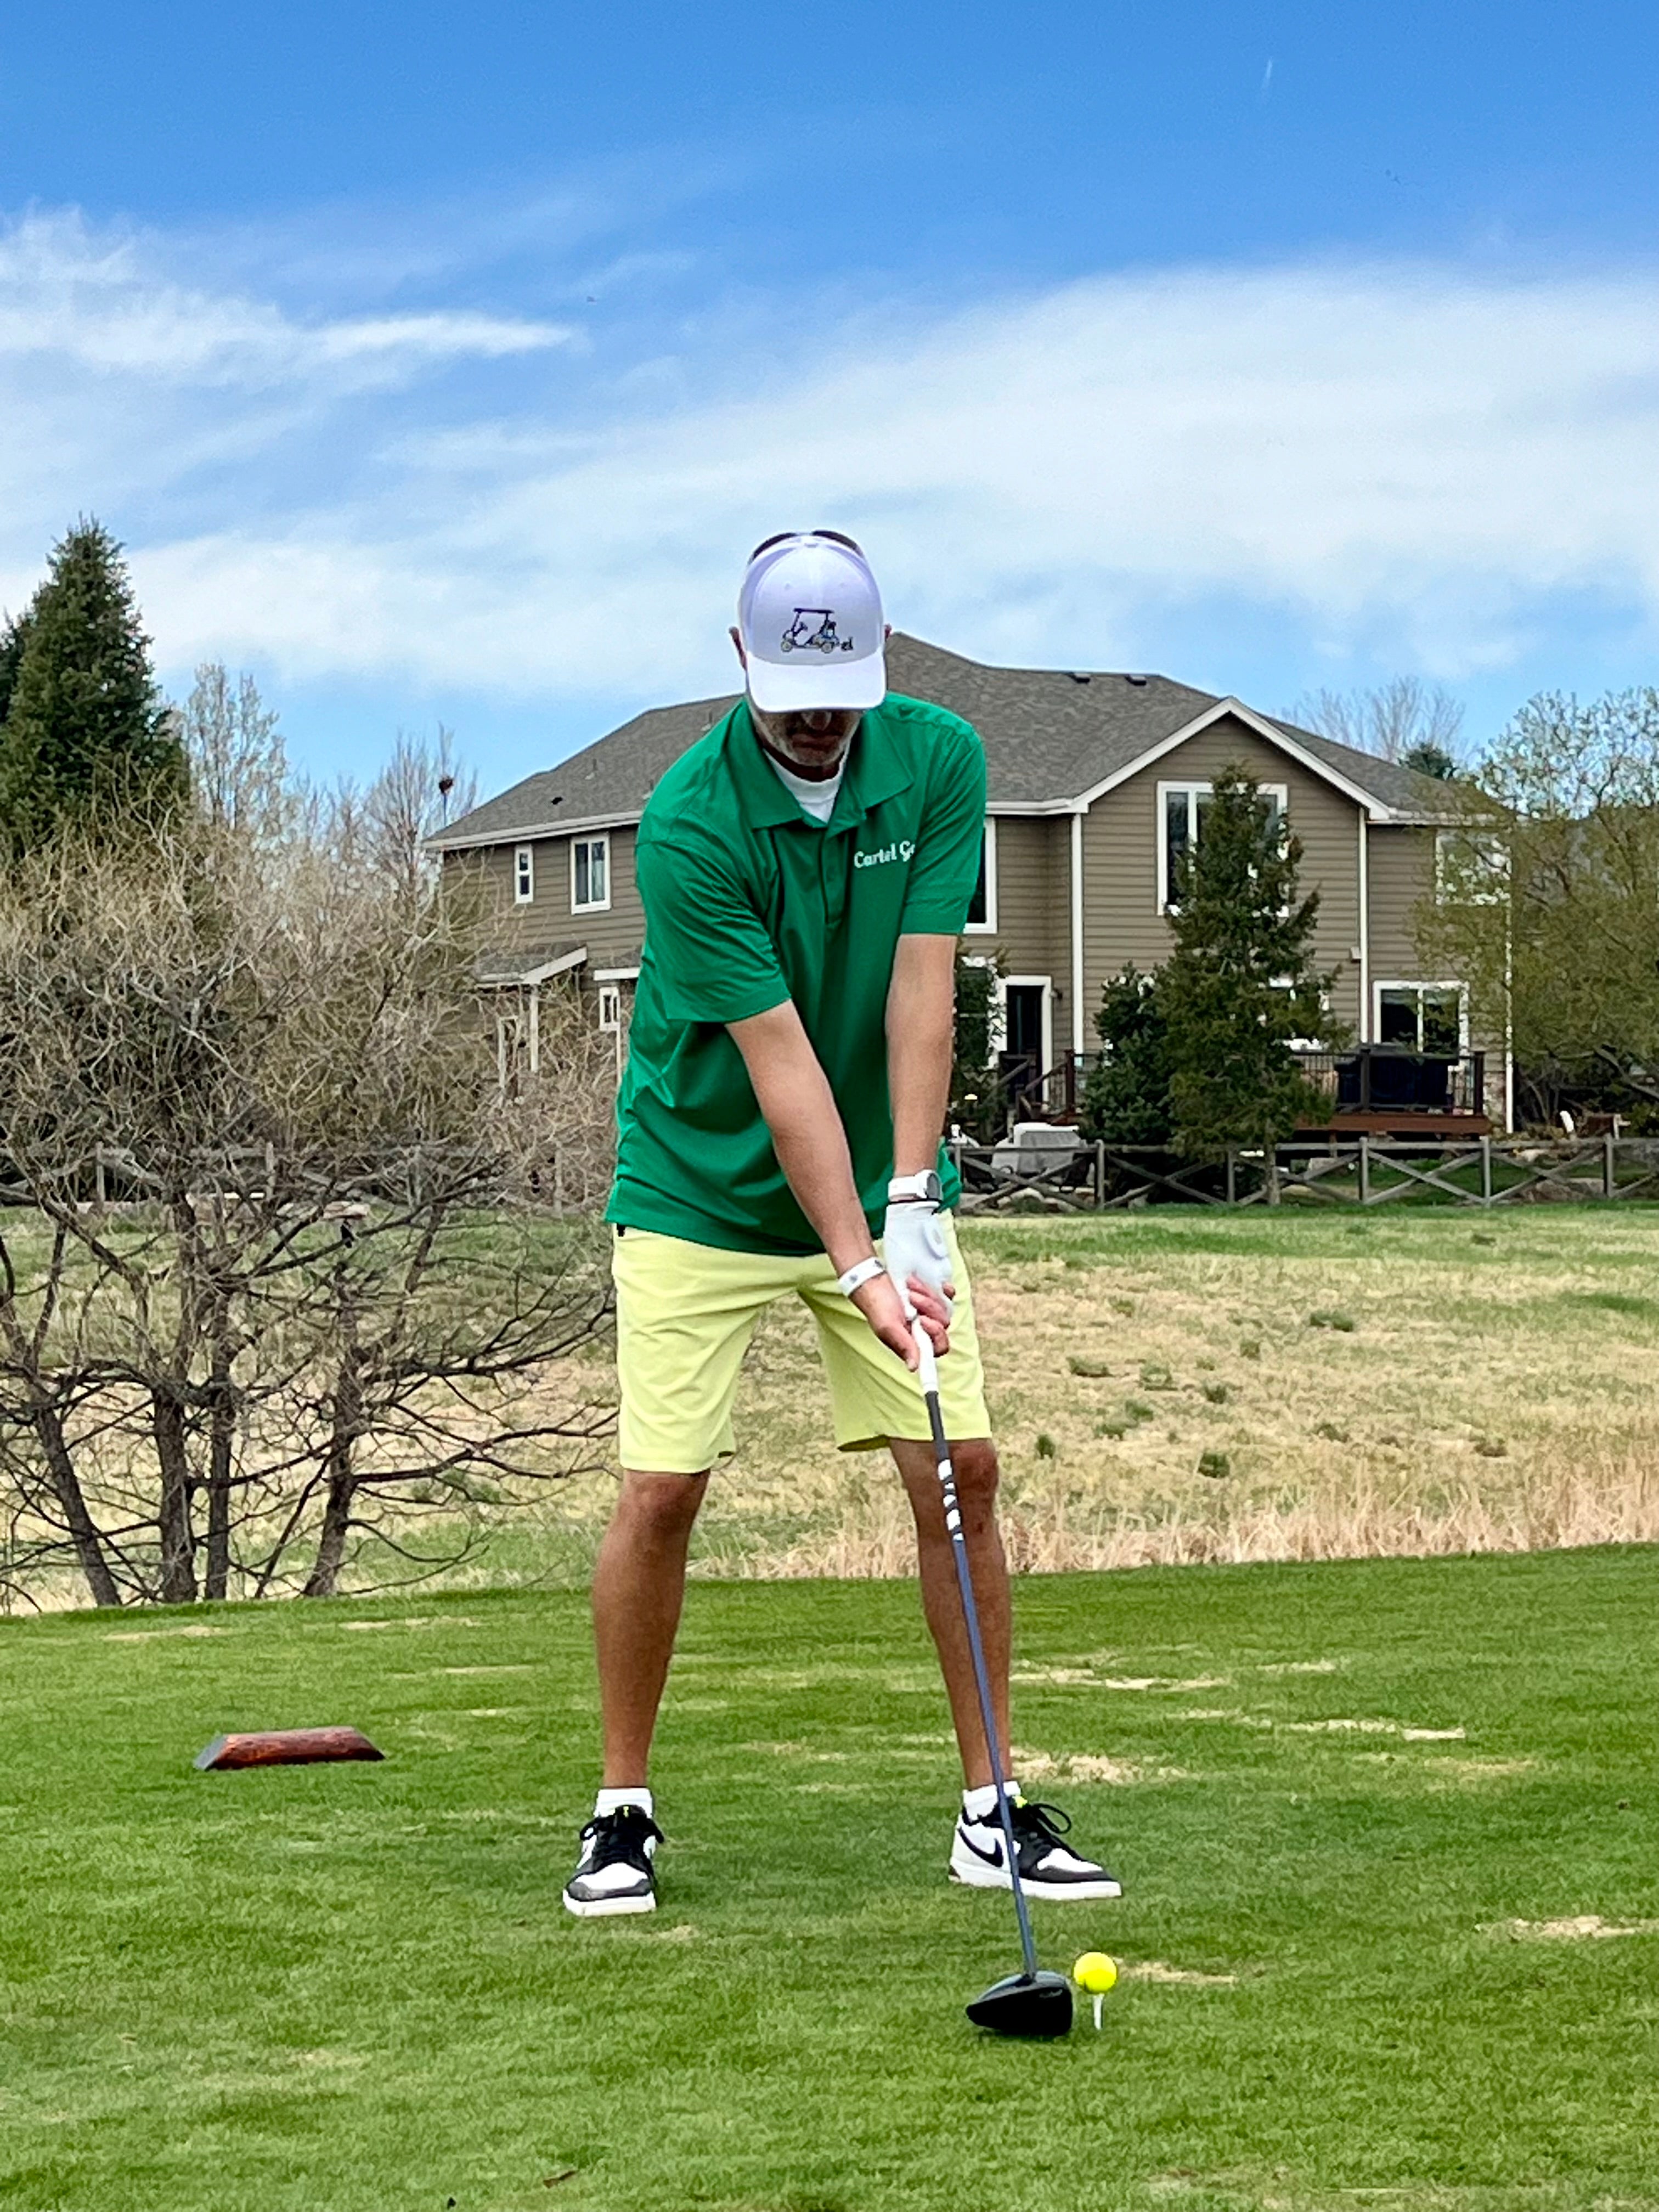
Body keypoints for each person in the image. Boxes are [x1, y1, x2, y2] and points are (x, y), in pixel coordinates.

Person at [563, 531, 1119, 1917]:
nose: (821, 721)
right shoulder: (690, 821)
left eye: (845, 691)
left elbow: (918, 993)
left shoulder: (937, 761)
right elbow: (782, 1063)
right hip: (698, 1184)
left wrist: (916, 1200)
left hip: (880, 1186)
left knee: (963, 1469)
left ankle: (992, 1806)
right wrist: (860, 1263)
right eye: (796, 691)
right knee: (664, 1489)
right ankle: (620, 1808)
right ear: (743, 662)